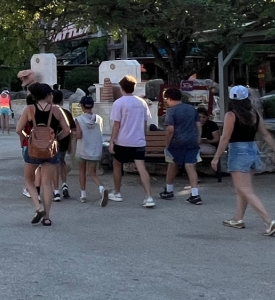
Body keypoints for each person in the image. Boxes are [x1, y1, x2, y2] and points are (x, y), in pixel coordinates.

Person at [211, 86, 275, 235]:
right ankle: (238, 219)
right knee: (241, 188)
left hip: (238, 151)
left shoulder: (231, 115)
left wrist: (216, 157)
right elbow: (265, 133)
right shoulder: (255, 114)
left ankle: (269, 221)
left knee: (245, 190)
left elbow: (225, 138)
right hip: (252, 150)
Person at [16, 82, 71, 226]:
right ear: (47, 95)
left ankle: (37, 207)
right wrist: (55, 139)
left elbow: (18, 129)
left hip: (33, 149)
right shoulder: (57, 109)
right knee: (47, 183)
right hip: (51, 149)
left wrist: (28, 137)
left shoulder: (29, 109)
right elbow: (67, 130)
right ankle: (47, 217)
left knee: (29, 180)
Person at [108, 76, 155, 207]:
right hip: (138, 140)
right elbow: (145, 123)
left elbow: (116, 125)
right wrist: (142, 137)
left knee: (117, 164)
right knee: (142, 168)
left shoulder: (119, 103)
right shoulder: (142, 102)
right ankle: (149, 196)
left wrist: (112, 141)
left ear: (122, 88)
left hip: (122, 140)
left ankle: (117, 192)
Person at [161, 88, 203, 204]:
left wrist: (167, 144)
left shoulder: (171, 111)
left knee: (172, 164)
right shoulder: (191, 109)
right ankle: (195, 194)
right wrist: (198, 139)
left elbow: (170, 130)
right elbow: (198, 125)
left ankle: (169, 190)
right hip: (192, 141)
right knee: (190, 166)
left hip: (176, 142)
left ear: (169, 98)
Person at [74, 96, 107, 205]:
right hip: (95, 149)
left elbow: (78, 135)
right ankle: (101, 188)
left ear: (82, 106)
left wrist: (72, 134)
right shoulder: (99, 118)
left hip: (83, 148)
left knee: (82, 171)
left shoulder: (79, 119)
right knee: (92, 173)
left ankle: (83, 195)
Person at [53, 89, 74, 199]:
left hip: (53, 142)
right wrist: (70, 144)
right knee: (62, 162)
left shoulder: (50, 112)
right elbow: (71, 130)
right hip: (64, 141)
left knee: (54, 165)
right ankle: (64, 184)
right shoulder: (67, 113)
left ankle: (56, 191)